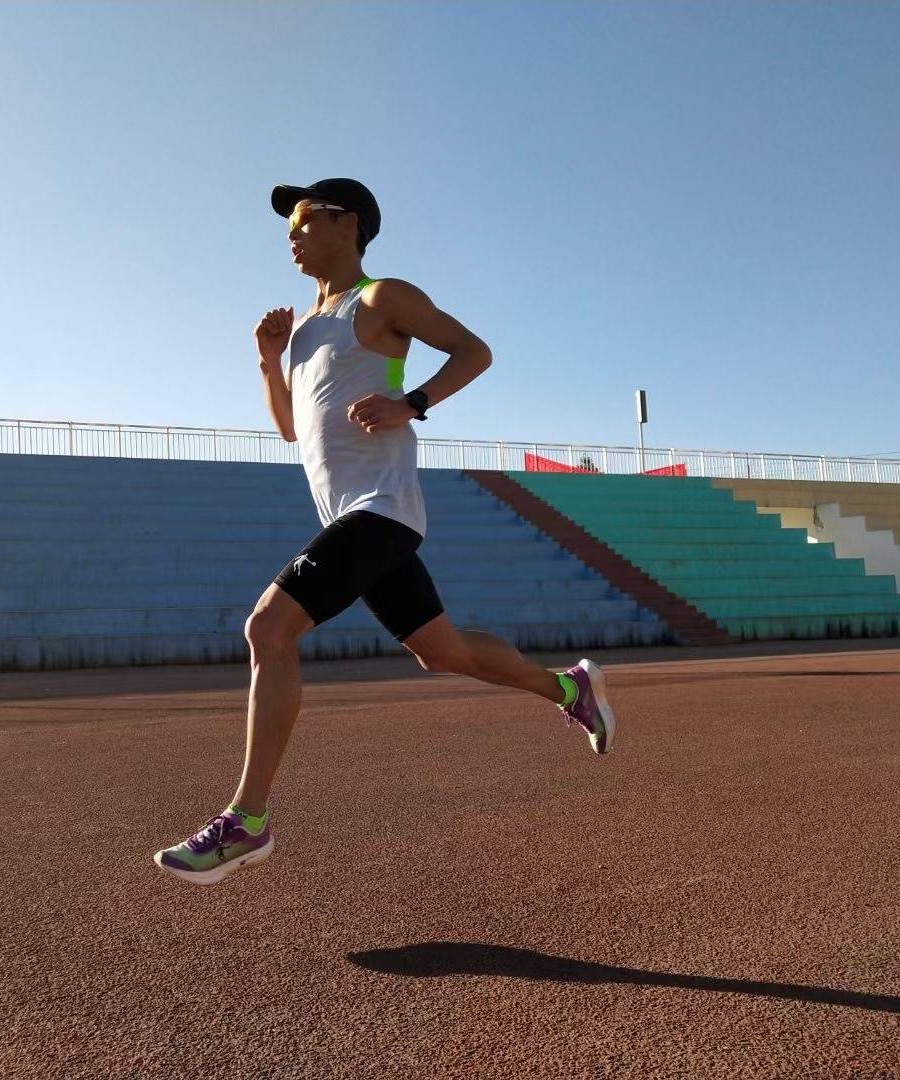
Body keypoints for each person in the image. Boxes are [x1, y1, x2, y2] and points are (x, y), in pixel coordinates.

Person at [154, 178, 616, 886]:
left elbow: (473, 350)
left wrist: (412, 402)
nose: (292, 232)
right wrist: (267, 361)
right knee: (444, 652)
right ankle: (569, 690)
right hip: (352, 518)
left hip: (381, 509)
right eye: (291, 223)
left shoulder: (379, 298)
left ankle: (247, 822)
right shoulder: (308, 328)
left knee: (268, 630)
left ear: (350, 225)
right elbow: (288, 429)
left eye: (307, 218)